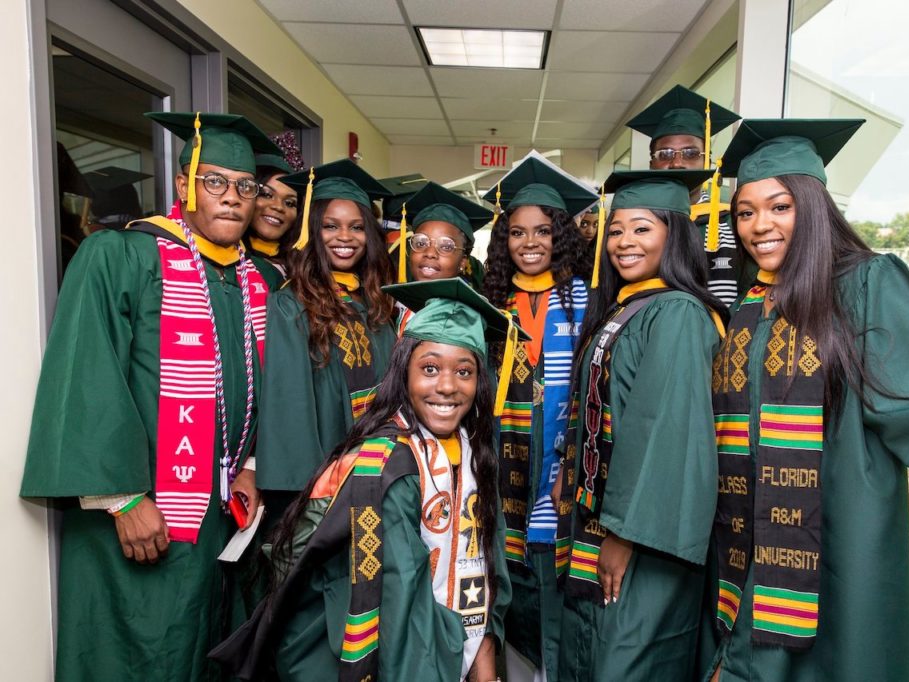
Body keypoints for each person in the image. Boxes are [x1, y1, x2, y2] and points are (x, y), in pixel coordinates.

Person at [700, 118, 909, 681]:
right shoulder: (748, 308)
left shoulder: (864, 284)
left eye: (780, 207)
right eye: (746, 213)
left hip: (836, 540)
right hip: (742, 546)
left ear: (815, 208)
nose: (760, 226)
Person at [20, 111, 279, 681]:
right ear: (184, 186)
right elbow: (88, 376)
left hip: (223, 519)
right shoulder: (121, 257)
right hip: (143, 519)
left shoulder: (258, 281)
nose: (232, 198)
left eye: (245, 187)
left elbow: (269, 391)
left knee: (209, 649)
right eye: (214, 181)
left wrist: (255, 464)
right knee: (142, 654)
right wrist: (123, 498)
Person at [212, 277, 518, 682]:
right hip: (389, 654)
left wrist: (484, 651)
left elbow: (488, 560)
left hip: (444, 646)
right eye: (429, 368)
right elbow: (400, 597)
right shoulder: (385, 463)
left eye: (464, 371)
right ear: (402, 372)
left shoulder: (475, 453)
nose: (447, 386)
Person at [555, 169, 726, 681]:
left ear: (675, 235)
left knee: (628, 660)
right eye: (616, 231)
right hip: (603, 523)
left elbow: (663, 430)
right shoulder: (626, 308)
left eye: (642, 228)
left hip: (646, 536)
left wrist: (625, 536)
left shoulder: (676, 312)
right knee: (594, 654)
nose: (624, 242)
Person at [480, 155, 598, 682]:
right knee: (504, 576)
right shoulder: (490, 302)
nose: (530, 243)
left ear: (561, 236)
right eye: (518, 232)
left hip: (556, 461)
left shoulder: (585, 300)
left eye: (544, 231)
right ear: (503, 239)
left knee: (551, 574)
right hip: (499, 458)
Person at [255, 159, 396, 495]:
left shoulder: (375, 302)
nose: (344, 237)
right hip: (323, 483)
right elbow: (289, 406)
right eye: (330, 226)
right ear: (311, 230)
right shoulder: (292, 303)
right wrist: (311, 490)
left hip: (380, 469)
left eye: (357, 227)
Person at [627, 84, 743, 306]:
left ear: (706, 160)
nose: (677, 163)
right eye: (665, 153)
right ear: (652, 163)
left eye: (690, 153)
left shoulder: (733, 222)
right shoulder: (631, 226)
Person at [388, 181, 493, 333]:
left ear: (463, 261)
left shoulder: (462, 321)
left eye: (446, 246)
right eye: (420, 242)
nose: (430, 253)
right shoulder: (399, 306)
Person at [244, 150, 300, 280]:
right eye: (267, 195)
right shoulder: (229, 261)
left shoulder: (302, 267)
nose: (278, 207)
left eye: (290, 203)